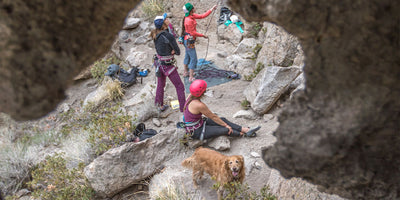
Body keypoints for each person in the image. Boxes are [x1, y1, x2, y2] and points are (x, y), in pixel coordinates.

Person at [183, 79, 261, 140]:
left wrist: (224, 123)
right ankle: (242, 134)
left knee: (222, 119)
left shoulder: (190, 96)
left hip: (199, 123)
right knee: (225, 130)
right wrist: (226, 126)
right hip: (196, 131)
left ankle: (245, 130)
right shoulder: (199, 105)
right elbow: (213, 117)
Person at [150, 13, 186, 112]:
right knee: (179, 86)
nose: (168, 19)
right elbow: (178, 52)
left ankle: (159, 105)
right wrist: (173, 50)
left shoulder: (155, 34)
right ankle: (183, 108)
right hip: (168, 65)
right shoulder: (168, 36)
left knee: (160, 85)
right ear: (164, 24)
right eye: (166, 19)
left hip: (159, 63)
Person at [181, 3, 218, 82]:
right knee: (193, 58)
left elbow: (202, 16)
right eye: (193, 7)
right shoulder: (189, 20)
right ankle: (191, 77)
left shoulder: (190, 16)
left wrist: (212, 9)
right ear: (191, 10)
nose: (195, 8)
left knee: (187, 56)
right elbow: (193, 33)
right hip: (189, 41)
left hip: (187, 40)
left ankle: (185, 72)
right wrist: (203, 35)